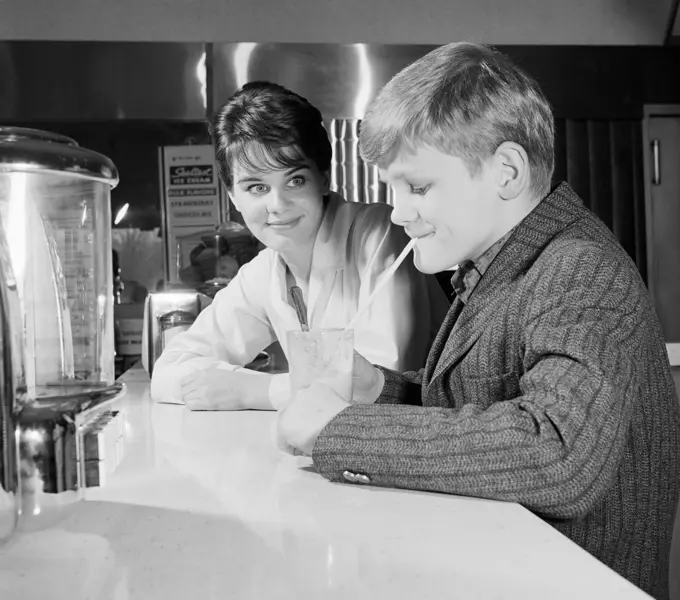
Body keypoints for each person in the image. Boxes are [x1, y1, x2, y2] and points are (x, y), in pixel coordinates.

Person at [276, 43, 680, 600]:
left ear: (506, 172)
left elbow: (557, 451)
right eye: (393, 188)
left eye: (417, 187)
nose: (397, 211)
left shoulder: (579, 270)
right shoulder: (498, 263)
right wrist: (382, 390)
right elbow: (481, 403)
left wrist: (339, 430)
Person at [150, 81, 450, 411]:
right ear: (232, 196)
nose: (277, 205)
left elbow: (381, 386)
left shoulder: (378, 234)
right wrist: (226, 383)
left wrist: (256, 390)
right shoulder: (265, 273)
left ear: (323, 178)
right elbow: (167, 372)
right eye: (256, 187)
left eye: (294, 180)